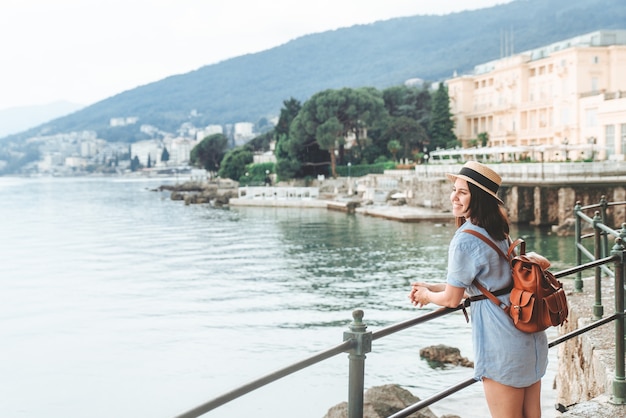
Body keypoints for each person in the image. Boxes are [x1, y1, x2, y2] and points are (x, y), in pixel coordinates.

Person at [409, 161, 548, 418]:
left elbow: (452, 298)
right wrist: (431, 286)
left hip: (501, 342)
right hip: (528, 335)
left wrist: (428, 296)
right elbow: (481, 285)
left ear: (479, 198)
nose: (454, 197)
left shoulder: (465, 238)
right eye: (454, 190)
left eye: (462, 192)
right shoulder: (498, 230)